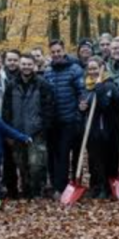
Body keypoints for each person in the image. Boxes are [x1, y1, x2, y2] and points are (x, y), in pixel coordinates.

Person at [4, 53, 54, 198]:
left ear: (34, 66)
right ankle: (26, 192)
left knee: (36, 165)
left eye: (29, 64)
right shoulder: (12, 84)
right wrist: (9, 131)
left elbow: (48, 109)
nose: (26, 67)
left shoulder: (42, 84)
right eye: (24, 64)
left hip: (36, 132)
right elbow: (6, 110)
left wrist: (44, 128)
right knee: (21, 164)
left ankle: (37, 191)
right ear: (20, 65)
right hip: (17, 132)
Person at [43, 40, 85, 195]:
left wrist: (78, 113)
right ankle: (55, 184)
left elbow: (82, 92)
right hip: (53, 121)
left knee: (63, 154)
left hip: (69, 120)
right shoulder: (48, 71)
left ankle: (63, 187)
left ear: (64, 51)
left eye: (58, 51)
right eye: (53, 52)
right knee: (53, 154)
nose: (56, 54)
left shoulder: (74, 69)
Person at [77, 57, 118, 198]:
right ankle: (96, 186)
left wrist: (99, 88)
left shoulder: (109, 85)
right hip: (90, 130)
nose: (93, 71)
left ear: (102, 68)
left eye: (96, 68)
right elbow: (84, 105)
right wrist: (82, 107)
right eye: (90, 69)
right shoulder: (86, 87)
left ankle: (106, 188)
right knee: (94, 160)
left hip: (105, 130)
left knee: (105, 160)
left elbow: (106, 105)